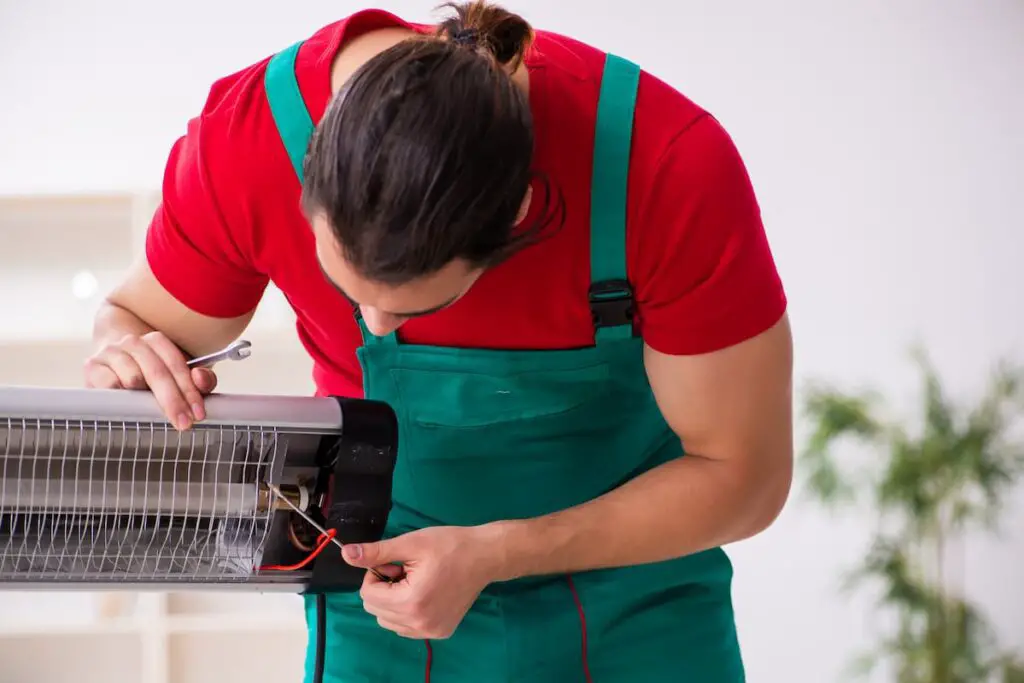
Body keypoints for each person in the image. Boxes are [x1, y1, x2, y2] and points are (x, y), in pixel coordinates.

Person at [84, 2, 794, 681]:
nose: (374, 322)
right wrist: (125, 347)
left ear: (519, 215)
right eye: (350, 287)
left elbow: (745, 475)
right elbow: (130, 315)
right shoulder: (249, 143)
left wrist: (498, 550)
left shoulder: (666, 167)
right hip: (383, 598)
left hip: (639, 602)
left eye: (412, 302)